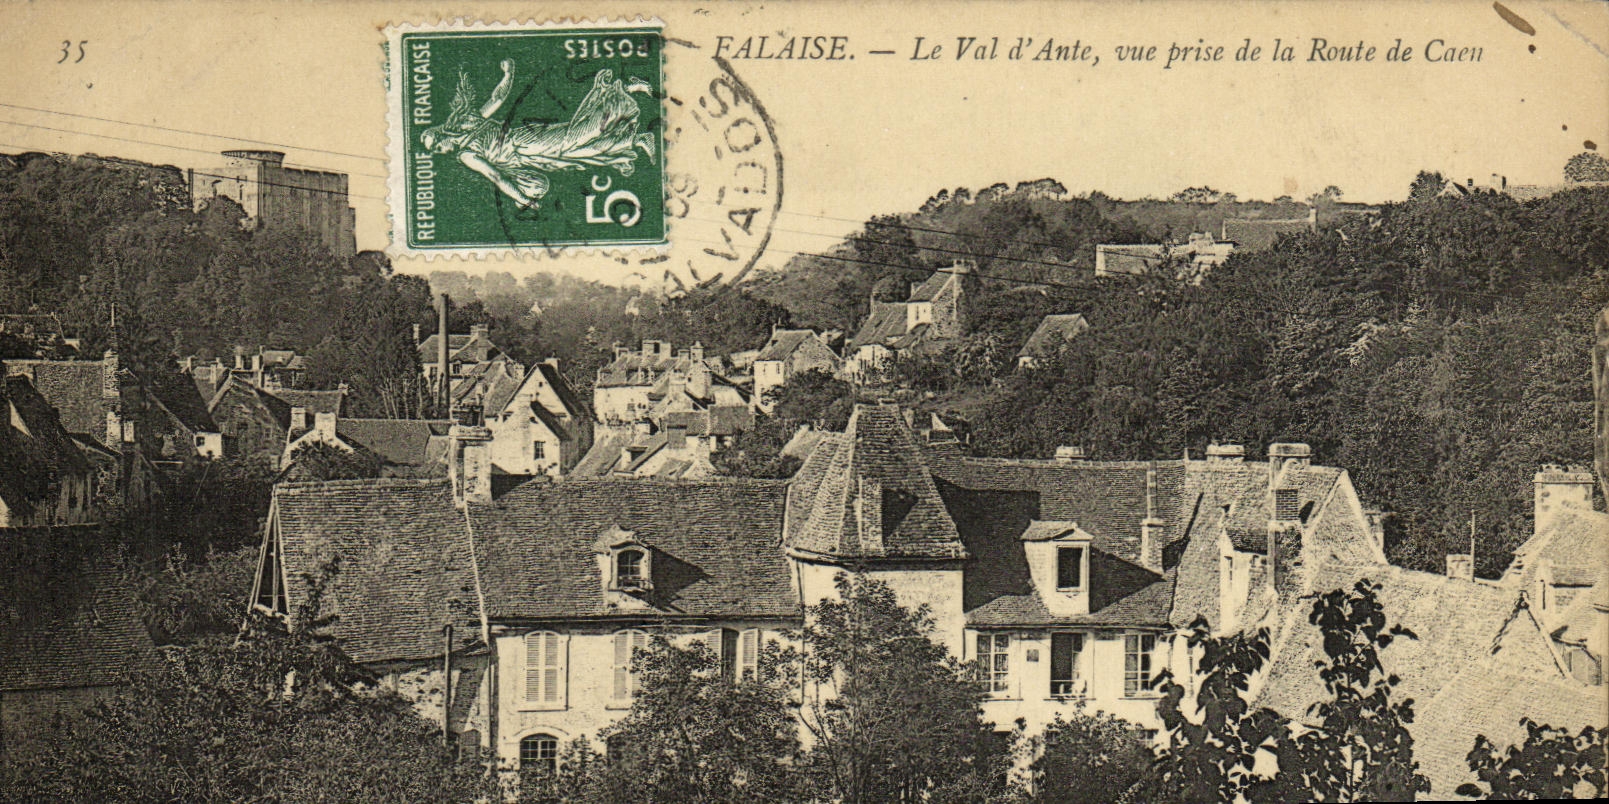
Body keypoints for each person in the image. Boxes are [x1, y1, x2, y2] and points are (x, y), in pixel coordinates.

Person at [420, 59, 656, 208]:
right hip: (527, 157)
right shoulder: (470, 129)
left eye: (438, 147)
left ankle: (626, 88)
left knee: (576, 137)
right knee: (581, 152)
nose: (442, 152)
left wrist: (522, 200)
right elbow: (497, 99)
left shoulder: (467, 151)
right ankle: (636, 140)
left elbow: (496, 177)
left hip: (524, 143)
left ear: (445, 135)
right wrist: (508, 75)